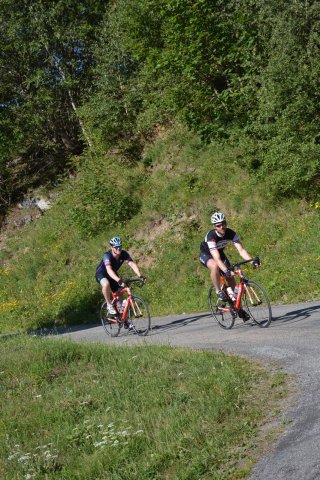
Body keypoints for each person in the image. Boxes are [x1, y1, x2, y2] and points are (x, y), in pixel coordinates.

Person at [199, 212, 260, 321]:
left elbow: (241, 250)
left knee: (231, 278)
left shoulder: (231, 233)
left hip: (219, 253)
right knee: (215, 266)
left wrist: (252, 262)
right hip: (207, 254)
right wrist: (225, 270)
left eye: (223, 224)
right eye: (218, 225)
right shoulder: (211, 236)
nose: (221, 227)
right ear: (214, 226)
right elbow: (216, 259)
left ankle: (238, 308)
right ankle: (218, 291)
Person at [95, 236, 145, 316]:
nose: (119, 248)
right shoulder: (107, 256)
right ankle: (109, 305)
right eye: (116, 247)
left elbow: (131, 263)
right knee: (106, 284)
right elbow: (109, 270)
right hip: (101, 273)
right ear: (112, 247)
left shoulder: (123, 254)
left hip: (113, 274)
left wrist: (140, 275)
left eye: (120, 246)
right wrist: (118, 280)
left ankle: (124, 320)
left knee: (120, 296)